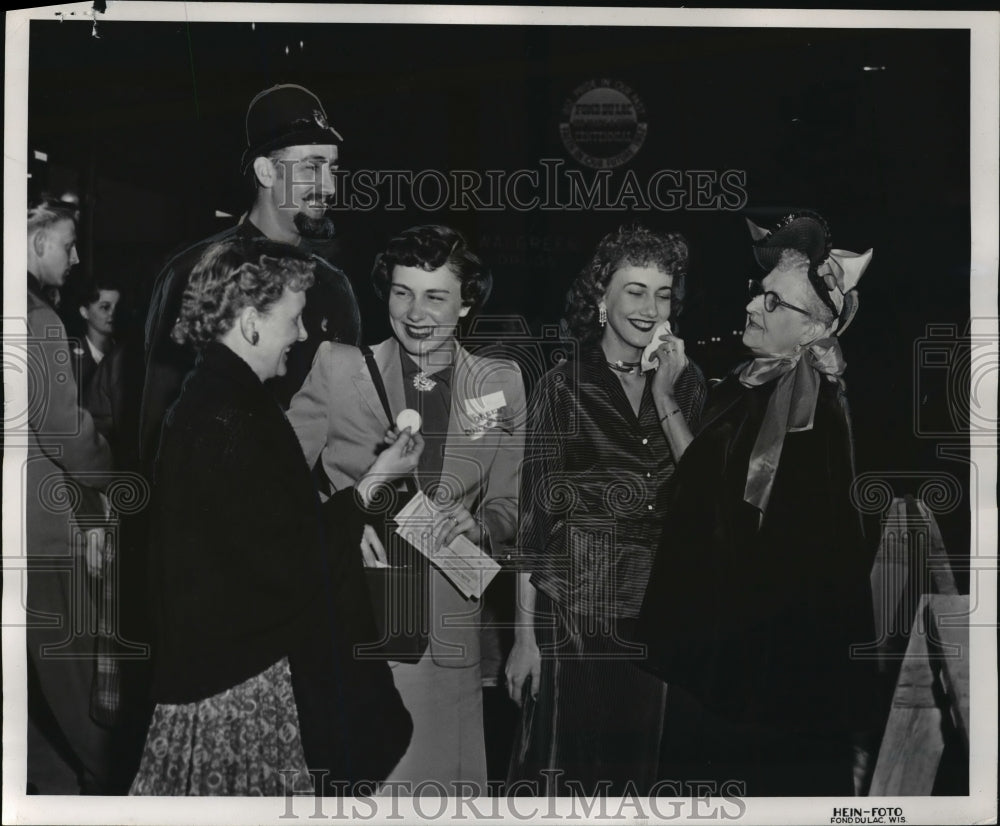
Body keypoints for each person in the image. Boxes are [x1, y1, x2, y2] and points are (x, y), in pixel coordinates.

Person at [129, 240, 417, 795]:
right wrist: (373, 484)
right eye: (294, 317)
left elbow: (261, 537)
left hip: (217, 672)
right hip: (240, 688)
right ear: (250, 321)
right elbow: (283, 563)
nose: (305, 333)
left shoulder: (216, 399)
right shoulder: (232, 415)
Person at [636, 211, 878, 796]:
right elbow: (712, 487)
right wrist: (667, 392)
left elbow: (802, 564)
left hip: (770, 679)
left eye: (775, 304)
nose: (752, 307)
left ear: (814, 332)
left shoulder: (814, 406)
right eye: (760, 293)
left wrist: (664, 397)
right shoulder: (757, 379)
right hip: (738, 658)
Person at [287, 225, 526, 793]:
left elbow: (511, 504)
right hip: (357, 627)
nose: (416, 312)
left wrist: (484, 525)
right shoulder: (339, 368)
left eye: (435, 296)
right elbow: (277, 484)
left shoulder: (499, 383)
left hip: (448, 640)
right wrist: (341, 525)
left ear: (467, 303)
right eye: (402, 292)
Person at [504, 225, 707, 796]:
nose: (650, 307)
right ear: (600, 299)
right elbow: (533, 522)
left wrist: (669, 391)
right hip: (576, 612)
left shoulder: (688, 386)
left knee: (639, 775)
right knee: (570, 772)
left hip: (659, 613)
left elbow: (701, 497)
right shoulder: (561, 387)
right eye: (635, 290)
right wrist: (526, 640)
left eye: (663, 293)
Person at [139, 83, 361, 472]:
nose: (329, 187)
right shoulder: (194, 272)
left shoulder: (334, 287)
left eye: (333, 169)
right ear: (265, 171)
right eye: (311, 167)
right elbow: (158, 427)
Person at [25, 199, 114, 793]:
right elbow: (62, 429)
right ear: (35, 245)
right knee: (71, 672)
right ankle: (110, 785)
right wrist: (111, 467)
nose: (75, 256)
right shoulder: (37, 320)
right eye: (68, 243)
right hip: (41, 530)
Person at [70, 279, 121, 395]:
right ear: (84, 312)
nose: (113, 313)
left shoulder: (125, 354)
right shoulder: (70, 361)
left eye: (118, 307)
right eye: (105, 307)